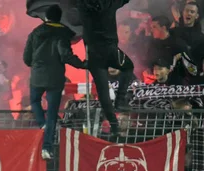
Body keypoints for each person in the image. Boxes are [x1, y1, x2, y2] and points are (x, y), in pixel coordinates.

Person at [23, 5, 86, 160]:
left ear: (46, 17)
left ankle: (41, 123)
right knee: (52, 113)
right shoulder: (63, 33)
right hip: (55, 78)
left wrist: (36, 65)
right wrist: (84, 64)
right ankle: (47, 147)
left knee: (35, 101)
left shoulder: (35, 33)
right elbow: (66, 56)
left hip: (37, 76)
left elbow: (26, 58)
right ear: (60, 17)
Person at [78, 0, 135, 136]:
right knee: (128, 67)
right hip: (110, 49)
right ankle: (120, 100)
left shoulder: (82, 5)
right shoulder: (110, 3)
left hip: (94, 53)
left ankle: (113, 124)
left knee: (103, 91)